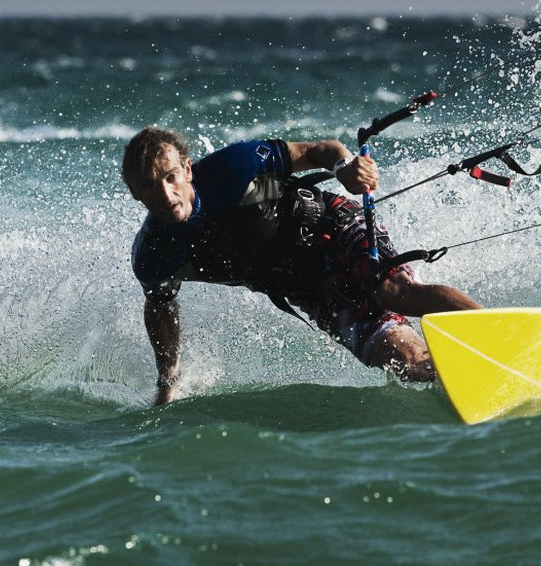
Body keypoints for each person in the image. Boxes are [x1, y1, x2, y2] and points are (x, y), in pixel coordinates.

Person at [122, 126, 481, 405]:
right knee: (398, 359)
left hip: (330, 226)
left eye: (170, 177)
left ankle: (502, 333)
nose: (166, 195)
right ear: (136, 194)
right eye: (151, 187)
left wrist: (344, 168)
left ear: (187, 170)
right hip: (307, 285)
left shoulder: (232, 169)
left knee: (393, 292)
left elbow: (319, 150)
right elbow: (160, 308)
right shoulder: (155, 255)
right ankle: (480, 375)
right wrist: (167, 382)